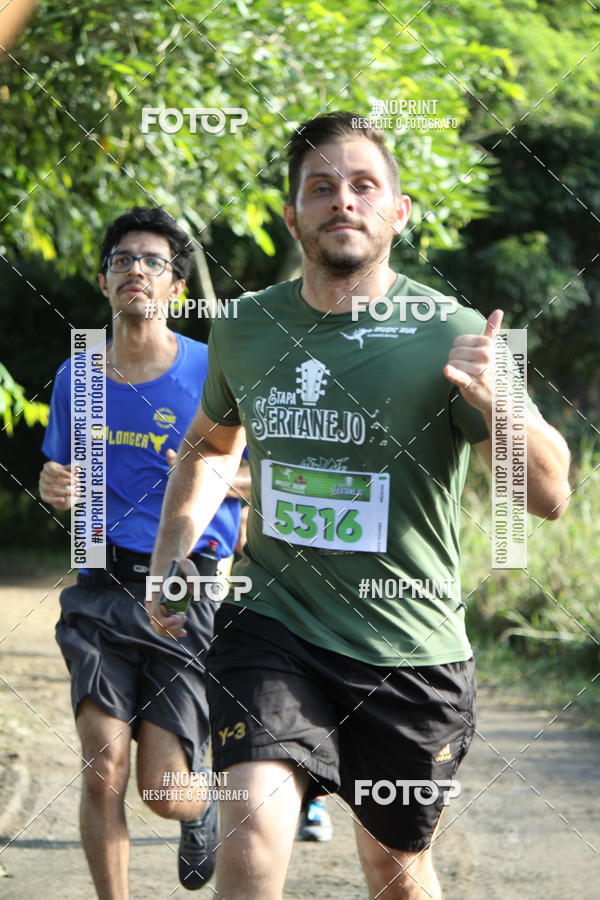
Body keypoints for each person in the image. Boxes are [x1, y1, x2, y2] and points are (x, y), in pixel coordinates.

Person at [147, 113, 571, 899]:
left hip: (409, 649)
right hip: (275, 628)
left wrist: (504, 404)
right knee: (253, 829)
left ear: (398, 211)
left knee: (394, 871)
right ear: (292, 215)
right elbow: (210, 448)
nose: (343, 200)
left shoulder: (451, 332)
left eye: (364, 185)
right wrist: (172, 559)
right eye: (321, 187)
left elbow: (549, 497)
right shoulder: (245, 327)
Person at [39, 206, 250, 898]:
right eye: (122, 260)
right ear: (104, 283)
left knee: (163, 790)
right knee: (103, 768)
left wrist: (211, 477)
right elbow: (60, 479)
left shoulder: (213, 370)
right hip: (100, 586)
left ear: (177, 290)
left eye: (153, 262)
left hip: (184, 595)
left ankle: (200, 806)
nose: (135, 269)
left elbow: (264, 471)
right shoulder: (79, 377)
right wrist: (53, 486)